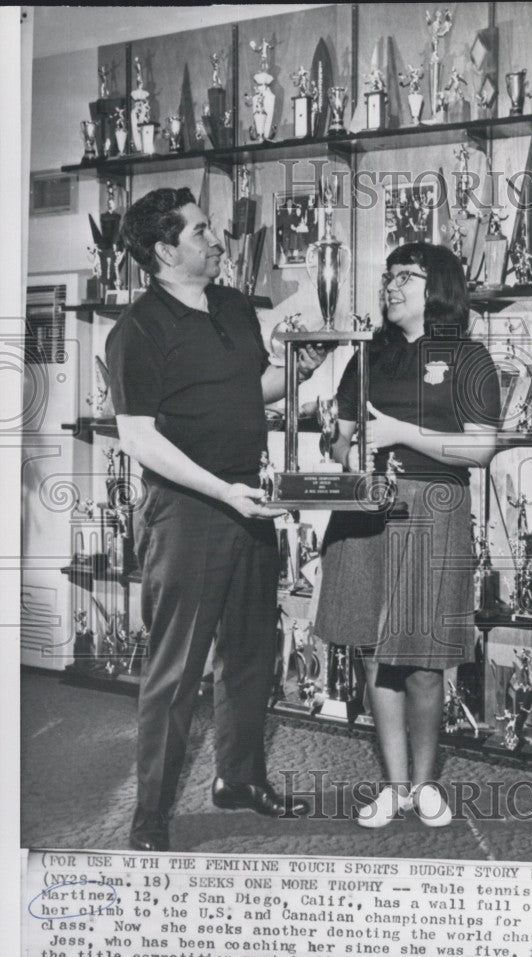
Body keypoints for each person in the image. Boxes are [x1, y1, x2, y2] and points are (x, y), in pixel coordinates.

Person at [105, 187, 326, 851]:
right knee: (176, 670)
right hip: (188, 510)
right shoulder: (136, 329)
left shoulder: (232, 304)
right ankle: (151, 813)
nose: (216, 239)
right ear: (166, 250)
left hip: (250, 501)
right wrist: (222, 492)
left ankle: (239, 778)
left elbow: (246, 391)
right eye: (201, 231)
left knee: (252, 654)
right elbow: (140, 437)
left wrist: (298, 369)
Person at [314, 243, 500, 828]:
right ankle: (395, 787)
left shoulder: (470, 358)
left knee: (421, 661)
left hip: (433, 509)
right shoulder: (368, 357)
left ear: (438, 286)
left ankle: (425, 785)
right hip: (367, 510)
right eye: (388, 275)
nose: (391, 285)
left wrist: (399, 431)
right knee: (375, 653)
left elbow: (481, 446)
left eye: (406, 276)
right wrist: (347, 450)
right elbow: (341, 441)